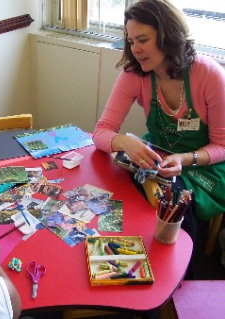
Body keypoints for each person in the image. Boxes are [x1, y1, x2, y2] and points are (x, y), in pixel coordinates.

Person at [93, 0, 225, 246]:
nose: (135, 50)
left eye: (143, 40)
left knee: (174, 204)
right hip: (159, 155)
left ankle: (180, 274)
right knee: (119, 195)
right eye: (131, 42)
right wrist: (125, 142)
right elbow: (100, 132)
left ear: (168, 36)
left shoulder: (209, 74)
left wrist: (184, 159)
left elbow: (222, 146)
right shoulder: (134, 73)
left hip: (204, 164)